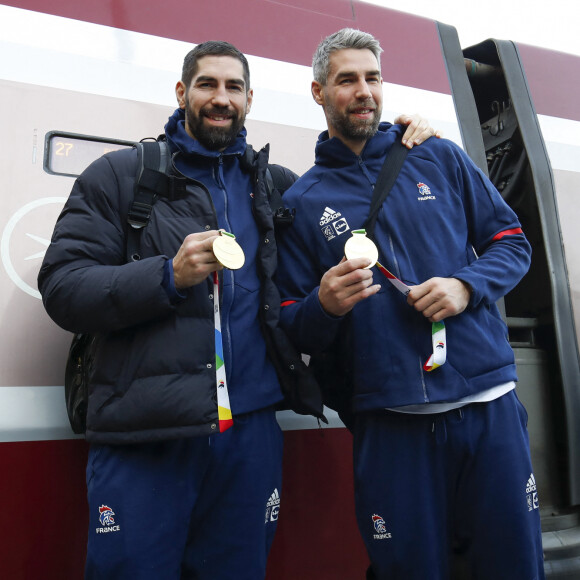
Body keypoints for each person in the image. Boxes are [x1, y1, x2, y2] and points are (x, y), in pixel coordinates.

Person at [38, 40, 436, 580]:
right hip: (146, 436)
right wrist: (167, 276)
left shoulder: (275, 190)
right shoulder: (119, 176)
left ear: (250, 99)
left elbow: (361, 208)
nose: (220, 98)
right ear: (182, 93)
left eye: (233, 88)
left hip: (249, 436)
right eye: (207, 84)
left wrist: (410, 142)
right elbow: (63, 287)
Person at [276, 28, 545, 579]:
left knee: (514, 566)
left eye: (372, 77)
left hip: (487, 404)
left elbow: (511, 242)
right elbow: (289, 325)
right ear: (318, 92)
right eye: (346, 80)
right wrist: (323, 305)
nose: (364, 91)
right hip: (392, 420)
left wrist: (466, 287)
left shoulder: (439, 157)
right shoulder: (301, 202)